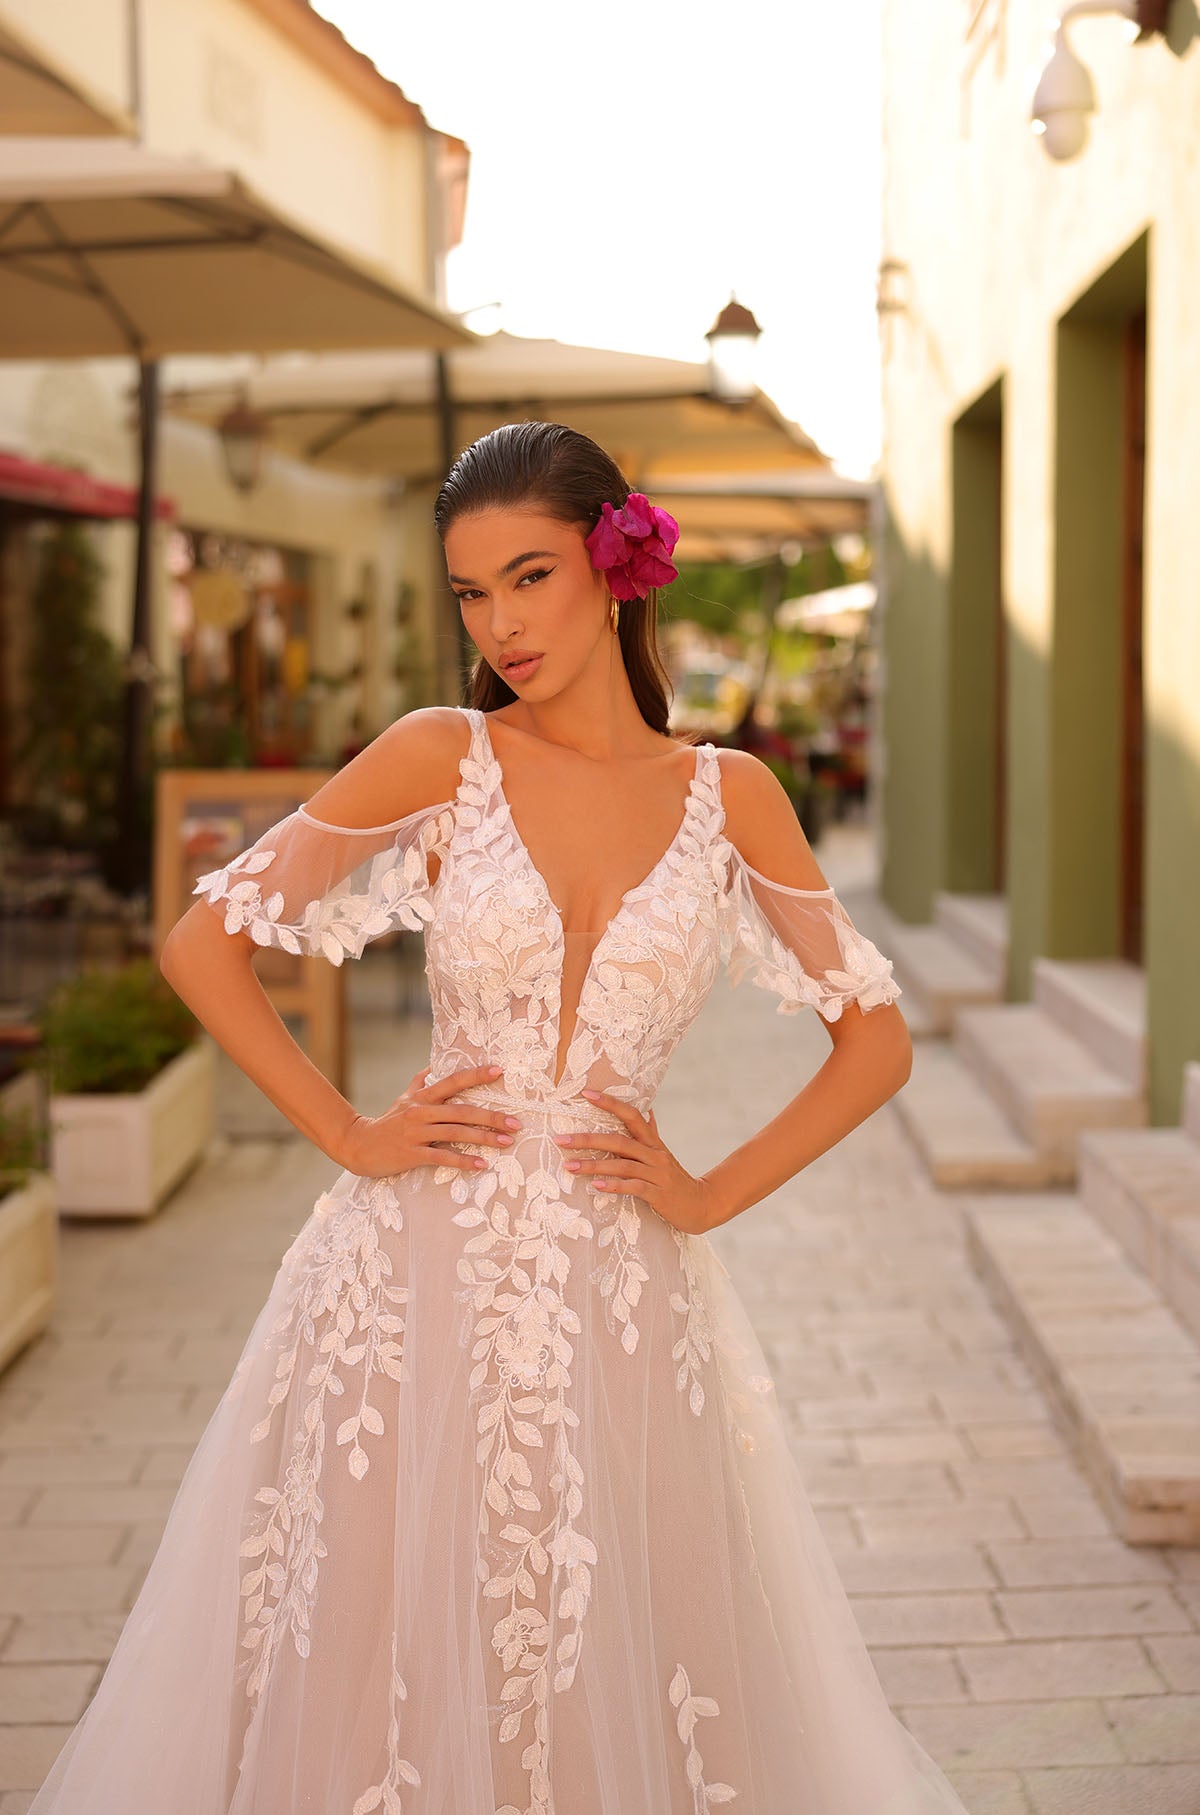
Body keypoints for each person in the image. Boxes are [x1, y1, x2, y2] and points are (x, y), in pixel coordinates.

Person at [26, 422, 970, 1814]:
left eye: (529, 577)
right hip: (405, 1286)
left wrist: (708, 1193)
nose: (503, 622)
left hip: (622, 1289)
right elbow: (203, 943)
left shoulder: (734, 798)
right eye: (474, 594)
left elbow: (875, 1044)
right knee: (377, 1644)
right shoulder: (440, 756)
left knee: (611, 1641)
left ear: (613, 565)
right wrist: (348, 1132)